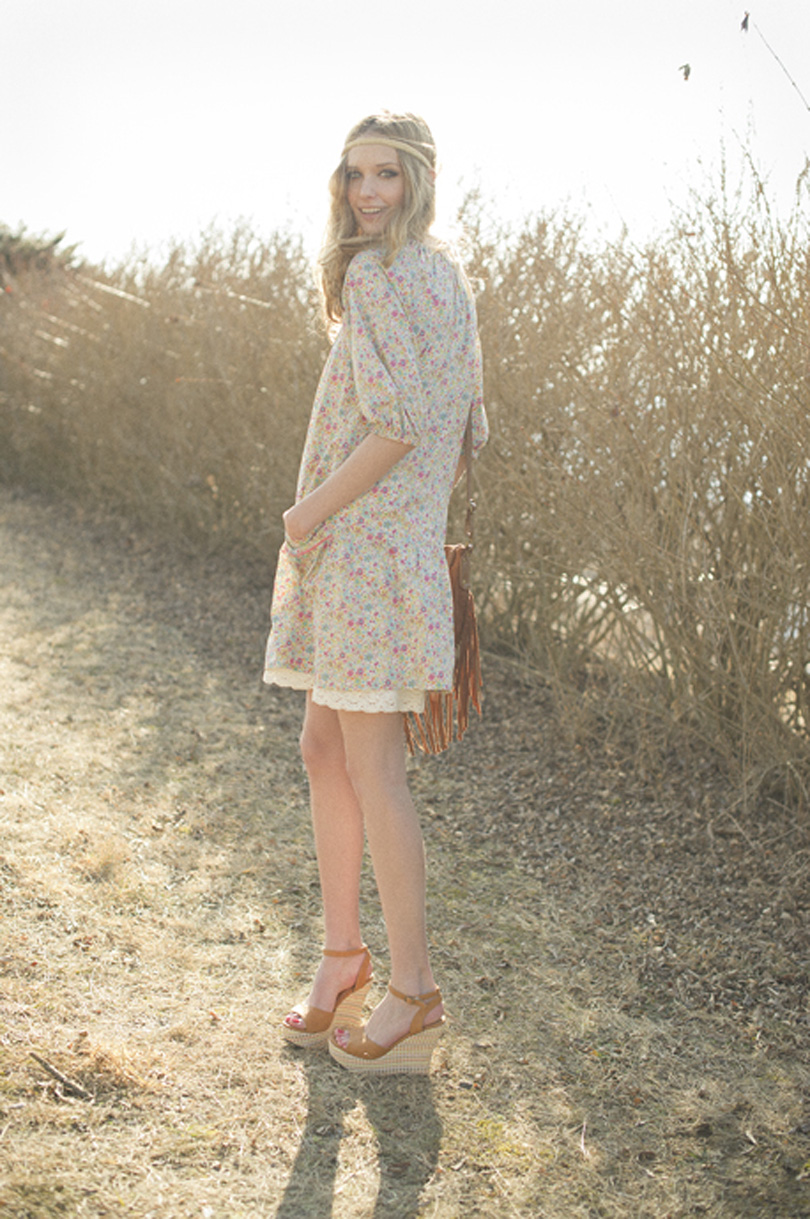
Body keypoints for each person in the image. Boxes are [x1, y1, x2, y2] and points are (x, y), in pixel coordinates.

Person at [263, 111, 488, 1075]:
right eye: (355, 174)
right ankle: (343, 954)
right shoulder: (448, 279)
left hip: (361, 552)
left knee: (373, 768)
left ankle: (415, 992)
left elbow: (397, 424)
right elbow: (467, 430)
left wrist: (306, 512)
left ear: (417, 182)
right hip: (391, 552)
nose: (365, 192)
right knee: (325, 749)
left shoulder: (377, 276)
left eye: (386, 175)